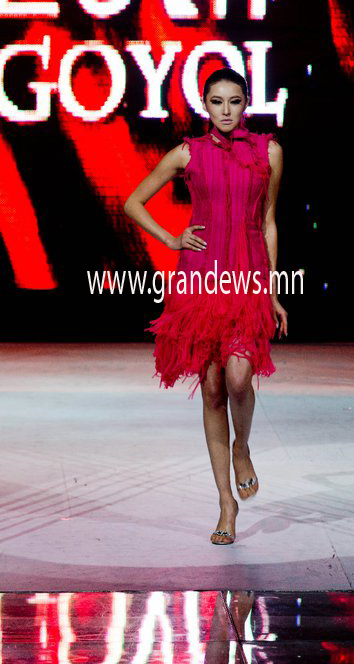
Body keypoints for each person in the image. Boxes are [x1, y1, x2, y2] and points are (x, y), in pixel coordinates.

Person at [124, 67, 287, 545]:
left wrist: (272, 290)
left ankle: (242, 447)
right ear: (205, 106)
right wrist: (171, 238)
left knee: (238, 378)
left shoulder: (269, 152)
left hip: (248, 276)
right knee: (213, 387)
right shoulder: (188, 153)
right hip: (200, 278)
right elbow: (133, 202)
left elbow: (269, 220)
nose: (226, 111)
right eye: (217, 102)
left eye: (234, 101)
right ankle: (225, 504)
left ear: (247, 103)